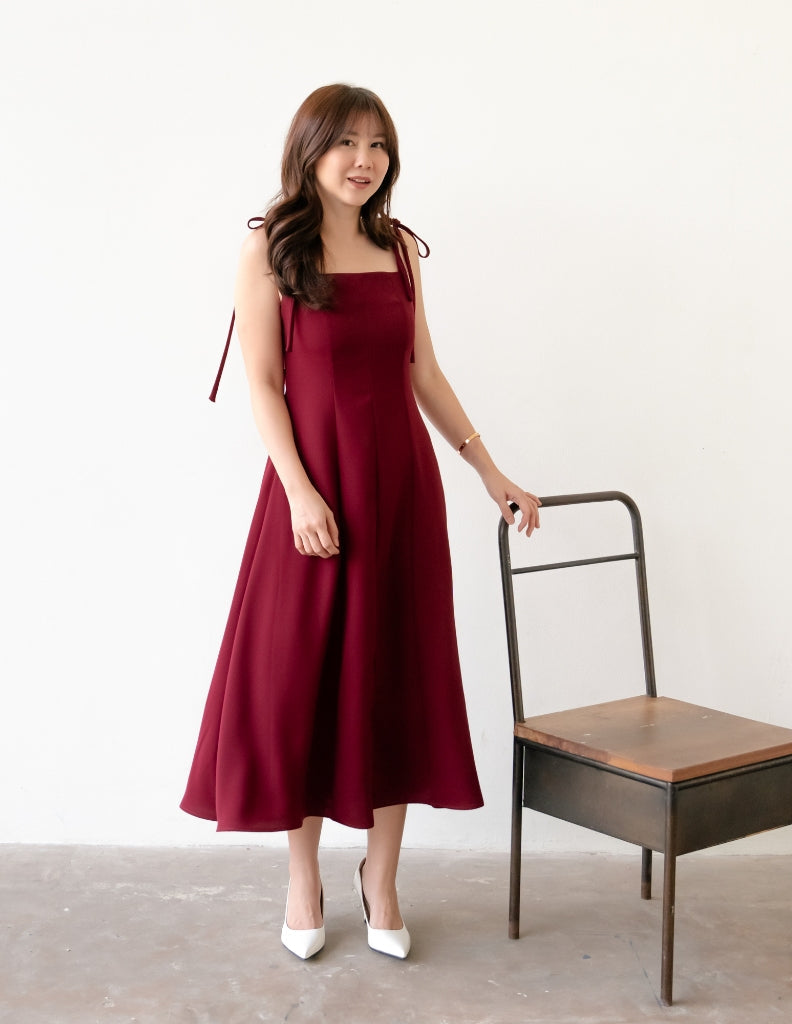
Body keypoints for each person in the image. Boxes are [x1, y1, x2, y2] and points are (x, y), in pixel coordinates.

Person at [181, 84, 541, 961]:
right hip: (311, 492)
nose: (364, 159)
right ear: (309, 149)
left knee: (393, 678)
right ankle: (303, 877)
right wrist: (301, 493)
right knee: (298, 682)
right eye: (345, 141)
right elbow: (263, 384)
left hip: (400, 490)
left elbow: (424, 372)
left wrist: (489, 471)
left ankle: (381, 878)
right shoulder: (271, 248)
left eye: (378, 143)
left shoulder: (400, 249)